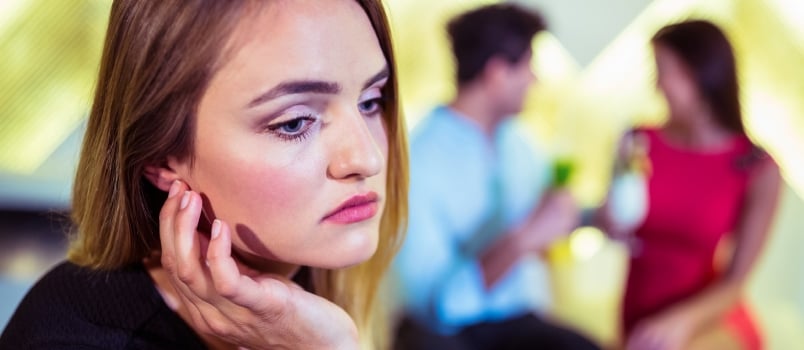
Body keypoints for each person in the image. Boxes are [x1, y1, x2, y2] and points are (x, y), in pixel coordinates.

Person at [0, 0, 408, 349]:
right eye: (294, 123)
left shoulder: (321, 290)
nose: (367, 158)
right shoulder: (73, 339)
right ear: (160, 158)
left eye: (371, 102)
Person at [392, 4, 599, 350]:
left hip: (520, 320)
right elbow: (440, 308)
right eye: (529, 66)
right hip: (452, 334)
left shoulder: (520, 142)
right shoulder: (420, 160)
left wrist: (595, 217)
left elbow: (548, 215)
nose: (536, 80)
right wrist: (521, 241)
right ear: (497, 73)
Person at [596, 20, 782, 350]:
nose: (658, 86)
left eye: (665, 72)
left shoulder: (756, 167)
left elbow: (735, 283)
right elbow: (614, 222)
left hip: (707, 321)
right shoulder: (637, 142)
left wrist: (681, 322)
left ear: (700, 74)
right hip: (641, 319)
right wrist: (606, 222)